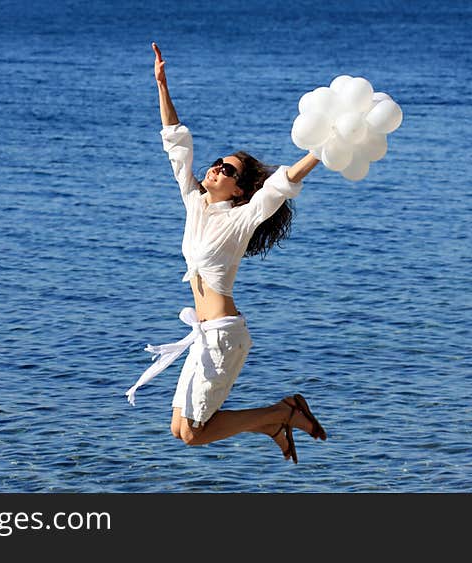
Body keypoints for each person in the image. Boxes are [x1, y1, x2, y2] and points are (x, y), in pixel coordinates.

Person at [125, 42, 327, 464]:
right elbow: (177, 146)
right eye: (218, 162)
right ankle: (276, 419)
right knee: (180, 430)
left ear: (239, 189)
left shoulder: (241, 219)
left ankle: (281, 413)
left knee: (194, 435)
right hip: (205, 335)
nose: (217, 167)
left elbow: (281, 183)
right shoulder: (195, 204)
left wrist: (326, 146)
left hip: (223, 335)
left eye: (228, 169)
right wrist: (162, 85)